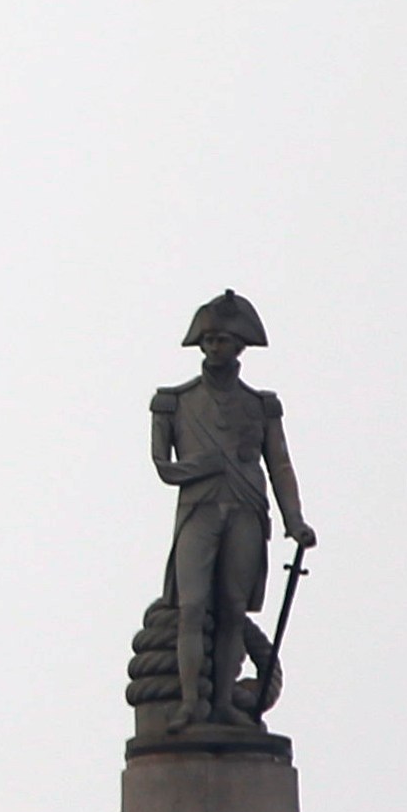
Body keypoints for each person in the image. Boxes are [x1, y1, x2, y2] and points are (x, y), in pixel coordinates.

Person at [151, 290, 317, 729]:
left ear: (240, 346)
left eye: (223, 339)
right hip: (198, 509)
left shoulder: (260, 405)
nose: (214, 347)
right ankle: (190, 703)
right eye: (208, 339)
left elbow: (280, 465)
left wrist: (294, 521)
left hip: (246, 508)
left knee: (231, 609)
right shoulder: (175, 401)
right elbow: (162, 467)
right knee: (192, 606)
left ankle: (223, 703)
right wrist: (198, 467)